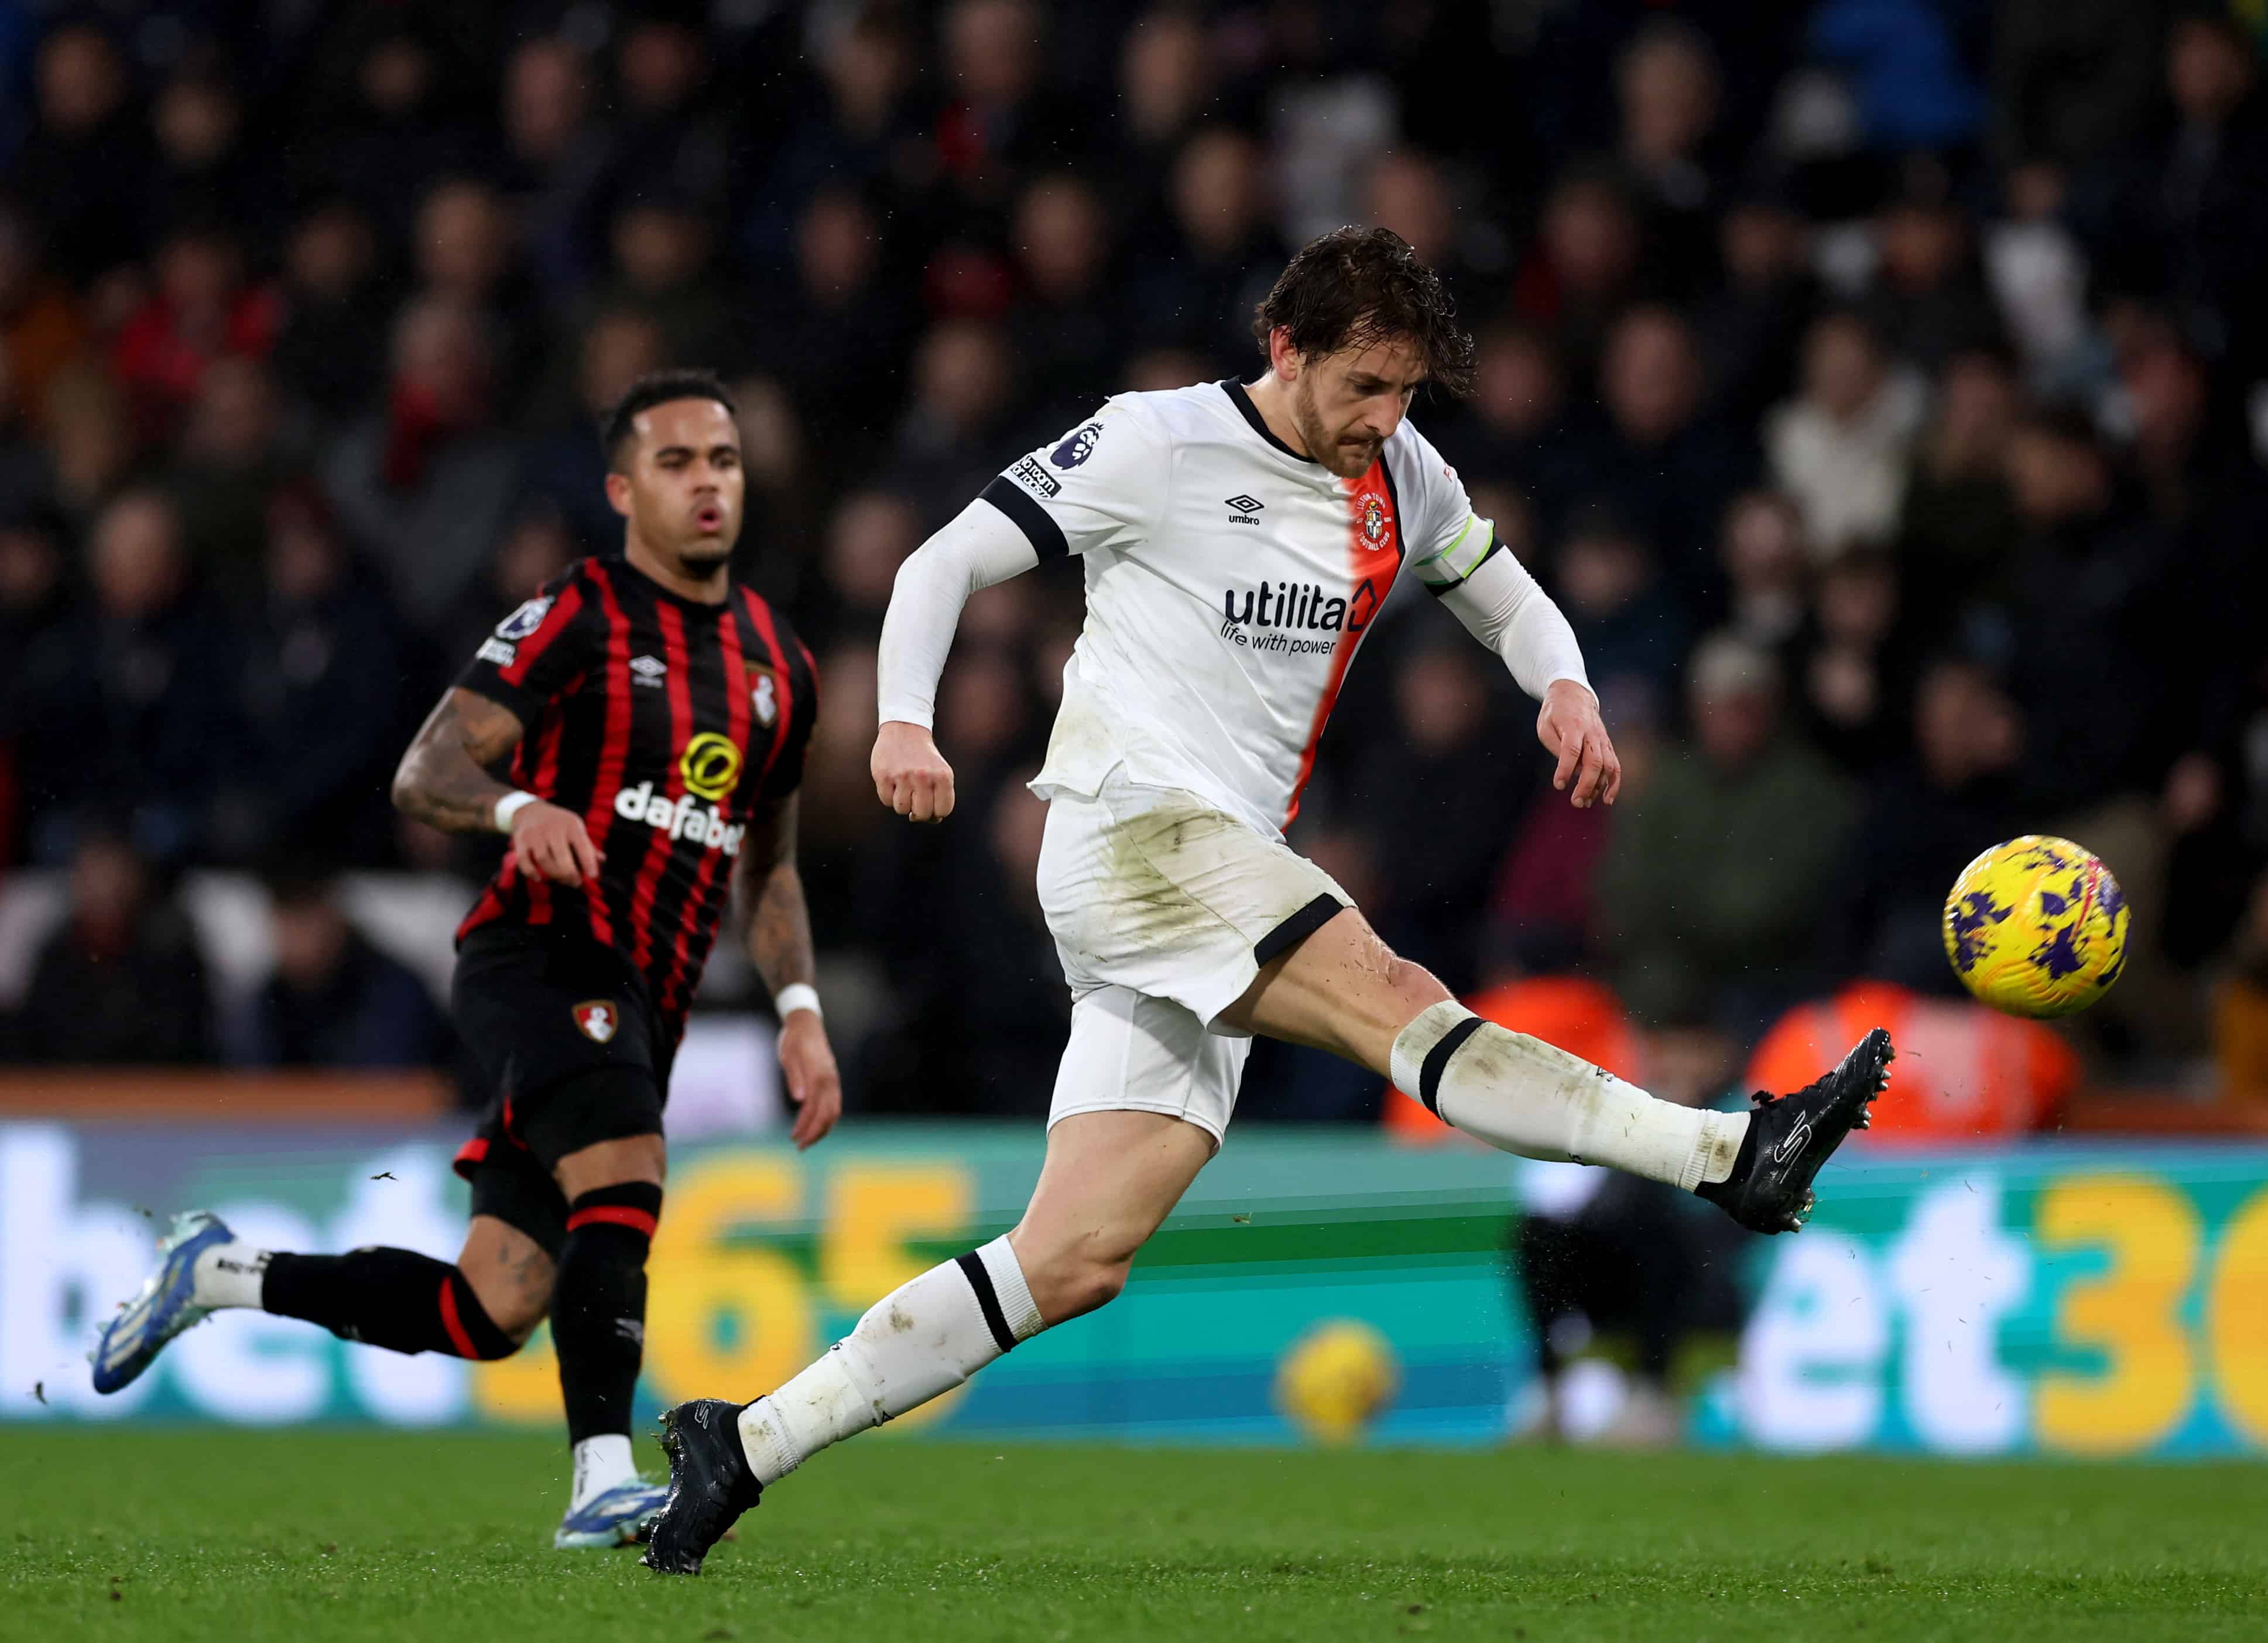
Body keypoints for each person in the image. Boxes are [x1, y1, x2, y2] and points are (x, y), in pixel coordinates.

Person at [638, 228, 1894, 1574]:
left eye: (1406, 390)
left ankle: (745, 1442)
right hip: (1133, 830)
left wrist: (1566, 688)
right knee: (1403, 1006)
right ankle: (1728, 1156)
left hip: (1214, 867)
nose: (1384, 419)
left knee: (1072, 1259)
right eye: (1363, 384)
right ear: (1281, 348)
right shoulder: (1153, 443)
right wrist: (904, 725)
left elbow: (1501, 591)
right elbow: (935, 565)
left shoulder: (1399, 470)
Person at [90, 371, 841, 1551]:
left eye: (724, 461)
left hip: (649, 994)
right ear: (621, 490)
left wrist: (798, 1006)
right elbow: (425, 769)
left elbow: (771, 865)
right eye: (676, 463)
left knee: (495, 1303)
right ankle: (601, 1481)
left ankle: (220, 1274)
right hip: (538, 953)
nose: (706, 483)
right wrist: (515, 815)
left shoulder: (777, 667)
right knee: (626, 1166)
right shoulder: (579, 615)